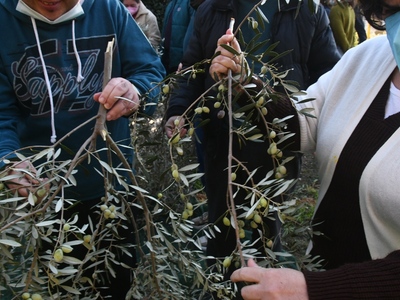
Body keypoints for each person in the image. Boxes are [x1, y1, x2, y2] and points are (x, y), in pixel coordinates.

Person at [209, 0, 400, 297]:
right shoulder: (368, 58)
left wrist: (315, 289)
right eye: (392, 12)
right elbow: (304, 122)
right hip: (321, 266)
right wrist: (245, 85)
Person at [164, 0, 340, 285]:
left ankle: (264, 282)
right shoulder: (213, 8)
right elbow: (194, 69)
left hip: (277, 137)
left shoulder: (305, 9)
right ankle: (220, 284)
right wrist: (178, 111)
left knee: (268, 221)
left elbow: (329, 74)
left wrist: (307, 117)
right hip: (222, 137)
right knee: (221, 219)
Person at [0, 0, 165, 298]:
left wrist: (135, 91)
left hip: (110, 189)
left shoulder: (109, 10)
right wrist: (8, 159)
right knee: (55, 286)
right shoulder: (3, 20)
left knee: (115, 285)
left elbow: (150, 72)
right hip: (42, 195)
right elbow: (1, 112)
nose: (51, 2)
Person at [161, 0, 195, 74]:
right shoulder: (172, 3)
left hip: (181, 62)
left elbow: (192, 33)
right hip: (168, 58)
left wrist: (185, 60)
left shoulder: (190, 3)